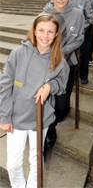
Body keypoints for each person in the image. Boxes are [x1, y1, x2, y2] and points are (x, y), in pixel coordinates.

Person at [0, 13, 69, 188]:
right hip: (16, 118)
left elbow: (62, 84)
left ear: (56, 34)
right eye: (41, 30)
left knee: (36, 161)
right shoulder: (18, 53)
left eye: (50, 32)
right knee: (13, 164)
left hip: (41, 118)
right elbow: (5, 85)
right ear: (34, 30)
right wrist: (4, 116)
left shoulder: (59, 59)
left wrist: (49, 87)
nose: (45, 36)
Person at [43, 0, 85, 148]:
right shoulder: (45, 14)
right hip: (47, 64)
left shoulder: (77, 14)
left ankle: (57, 118)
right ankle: (50, 130)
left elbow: (80, 38)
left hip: (68, 63)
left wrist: (63, 51)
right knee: (48, 99)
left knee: (62, 104)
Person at [66, 0, 93, 84]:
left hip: (82, 31)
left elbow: (90, 17)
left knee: (83, 53)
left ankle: (83, 75)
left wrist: (81, 28)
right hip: (66, 32)